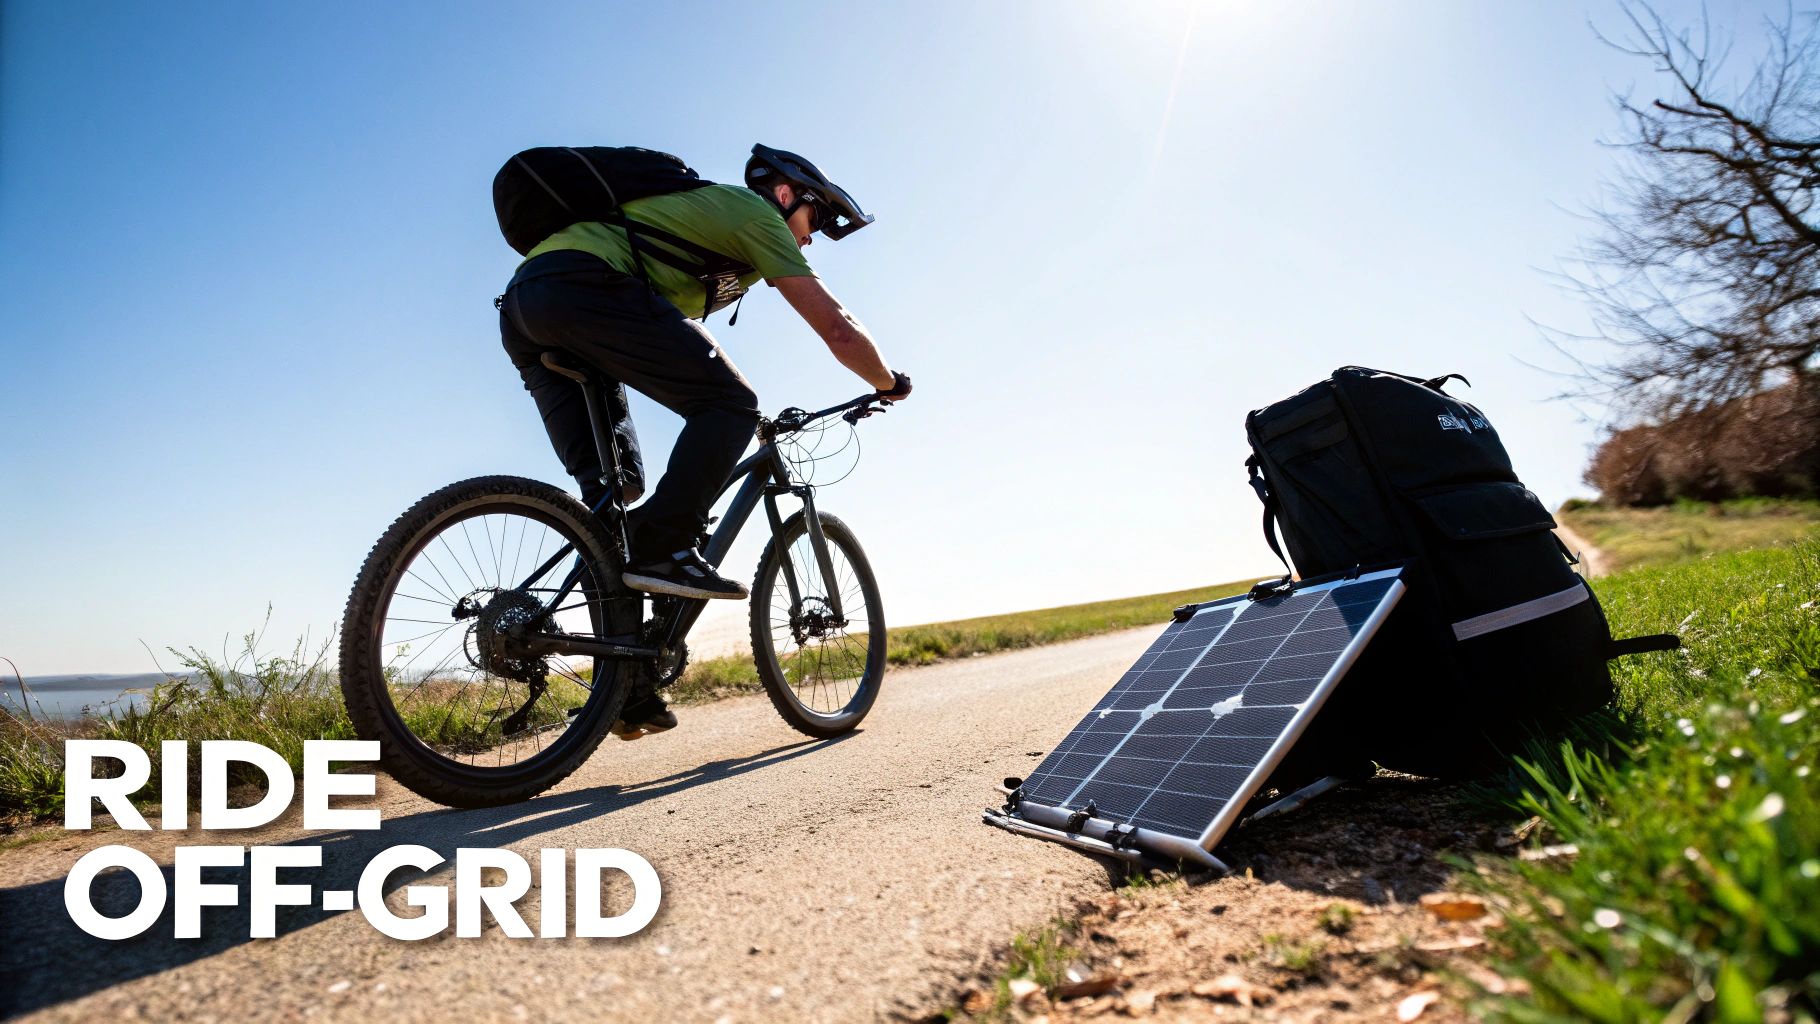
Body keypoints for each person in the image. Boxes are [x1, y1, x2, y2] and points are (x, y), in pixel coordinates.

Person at [496, 144, 910, 738]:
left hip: (527, 308)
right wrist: (887, 382)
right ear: (787, 195)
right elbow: (837, 328)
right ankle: (664, 548)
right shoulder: (752, 213)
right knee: (730, 405)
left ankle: (626, 690)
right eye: (815, 221)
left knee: (616, 497)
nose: (812, 239)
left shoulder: (706, 229)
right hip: (582, 286)